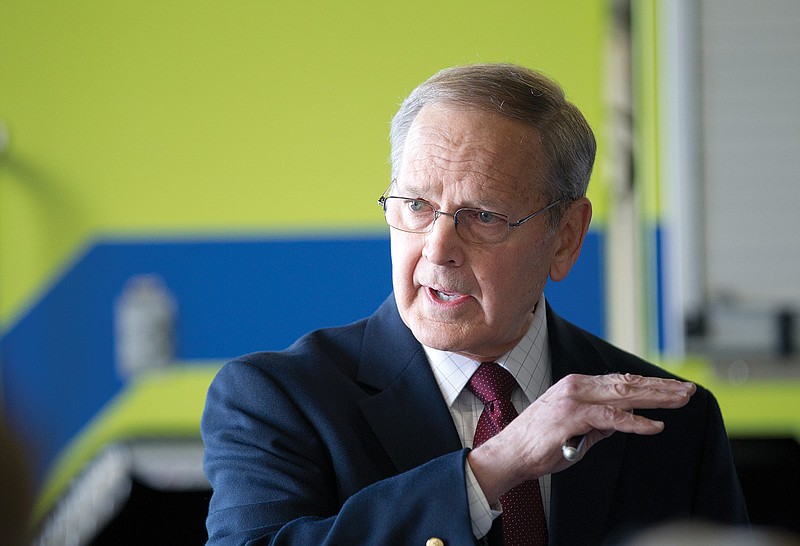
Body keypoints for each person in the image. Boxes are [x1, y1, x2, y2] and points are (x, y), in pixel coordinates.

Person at [201, 63, 748, 545]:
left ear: (566, 238)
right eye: (416, 205)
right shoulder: (276, 400)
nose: (437, 250)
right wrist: (491, 469)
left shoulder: (670, 423)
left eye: (484, 216)